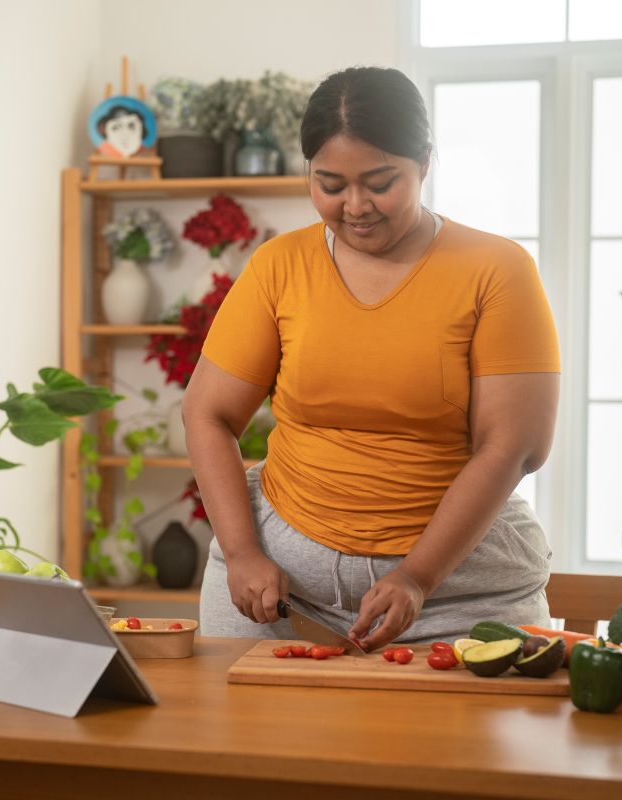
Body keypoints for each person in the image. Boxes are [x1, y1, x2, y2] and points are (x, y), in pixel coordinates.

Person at [183, 66, 560, 652]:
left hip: (455, 597)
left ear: (425, 164)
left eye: (381, 182)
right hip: (279, 592)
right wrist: (241, 553)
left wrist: (417, 575)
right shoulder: (279, 266)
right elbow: (206, 413)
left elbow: (514, 446)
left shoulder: (497, 270)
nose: (355, 206)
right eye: (330, 185)